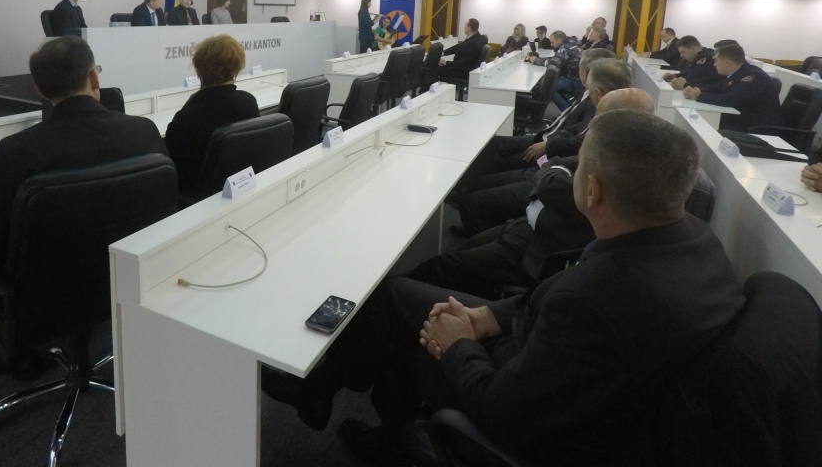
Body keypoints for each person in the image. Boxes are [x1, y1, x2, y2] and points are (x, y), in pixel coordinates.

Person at [263, 110, 744, 466]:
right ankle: (328, 395)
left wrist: (460, 343)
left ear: (591, 190)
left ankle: (365, 421)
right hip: (552, 359)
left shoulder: (596, 299)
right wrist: (490, 315)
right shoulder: (696, 242)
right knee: (397, 296)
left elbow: (503, 412)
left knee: (409, 327)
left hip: (528, 409)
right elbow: (563, 294)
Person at [0, 36, 167, 372]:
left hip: (47, 296)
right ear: (94, 79)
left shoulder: (17, 151)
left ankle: (22, 356)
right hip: (127, 274)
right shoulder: (143, 131)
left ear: (39, 90)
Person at [409, 88, 655, 298]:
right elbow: (557, 166)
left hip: (538, 247)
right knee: (458, 251)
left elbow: (552, 185)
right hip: (526, 223)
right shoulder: (618, 150)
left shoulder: (620, 170)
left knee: (439, 267)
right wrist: (554, 170)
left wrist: (553, 171)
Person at [451, 59, 634, 236]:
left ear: (598, 93)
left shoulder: (606, 122)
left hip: (552, 182)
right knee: (486, 171)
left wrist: (548, 162)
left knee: (475, 197)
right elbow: (574, 137)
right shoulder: (619, 119)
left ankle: (473, 215)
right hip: (552, 168)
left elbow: (578, 153)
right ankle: (473, 202)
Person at [458, 48, 615, 180]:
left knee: (501, 154)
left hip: (551, 147)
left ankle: (474, 185)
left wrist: (549, 145)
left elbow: (578, 139)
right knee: (495, 144)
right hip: (550, 137)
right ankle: (470, 182)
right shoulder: (589, 94)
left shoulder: (595, 101)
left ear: (586, 73)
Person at [164, 35, 260, 198]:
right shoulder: (248, 102)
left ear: (198, 70)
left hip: (199, 200)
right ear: (237, 68)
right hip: (241, 191)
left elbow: (173, 173)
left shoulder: (187, 118)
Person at [683, 43, 782, 131]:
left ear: (727, 62)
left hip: (755, 126)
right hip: (740, 118)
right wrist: (697, 90)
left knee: (703, 125)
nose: (714, 64)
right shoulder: (738, 73)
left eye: (716, 61)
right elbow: (717, 87)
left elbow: (730, 100)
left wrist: (698, 96)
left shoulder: (753, 77)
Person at [528, 30, 582, 111]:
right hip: (576, 76)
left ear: (559, 40)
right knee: (552, 87)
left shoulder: (565, 48)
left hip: (574, 79)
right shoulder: (572, 45)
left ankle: (567, 113)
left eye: (552, 42)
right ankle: (569, 109)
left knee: (549, 89)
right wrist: (540, 59)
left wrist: (535, 60)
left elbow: (555, 62)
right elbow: (557, 59)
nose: (551, 45)